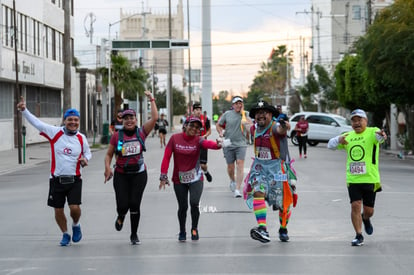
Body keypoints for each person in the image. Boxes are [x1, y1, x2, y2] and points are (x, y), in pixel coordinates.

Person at [17, 97, 92, 246]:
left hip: (75, 179)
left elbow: (88, 153)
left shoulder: (81, 138)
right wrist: (24, 110)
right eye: (70, 119)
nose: (73, 122)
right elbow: (37, 123)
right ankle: (65, 234)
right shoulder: (55, 133)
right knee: (58, 210)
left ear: (78, 122)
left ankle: (76, 225)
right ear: (64, 121)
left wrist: (85, 159)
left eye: (76, 120)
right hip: (56, 179)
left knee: (74, 208)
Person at [104, 91, 158, 245]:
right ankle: (121, 216)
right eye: (126, 118)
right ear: (123, 120)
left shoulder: (141, 132)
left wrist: (151, 99)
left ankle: (134, 234)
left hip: (139, 174)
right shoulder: (117, 135)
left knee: (134, 204)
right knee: (122, 205)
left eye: (131, 118)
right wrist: (107, 168)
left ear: (136, 119)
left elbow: (154, 118)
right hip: (121, 174)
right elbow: (108, 154)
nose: (129, 121)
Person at [327, 109, 387, 246]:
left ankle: (365, 219)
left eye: (359, 120)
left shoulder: (372, 132)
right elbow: (330, 145)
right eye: (353, 120)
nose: (356, 123)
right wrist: (338, 140)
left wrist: (382, 135)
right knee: (355, 205)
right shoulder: (348, 135)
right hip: (353, 179)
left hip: (370, 178)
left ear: (366, 121)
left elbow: (380, 137)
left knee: (369, 211)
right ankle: (358, 235)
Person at [159, 117, 222, 242]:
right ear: (185, 126)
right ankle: (182, 230)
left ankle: (194, 228)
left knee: (194, 203)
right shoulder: (175, 139)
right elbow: (166, 157)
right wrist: (163, 175)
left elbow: (210, 145)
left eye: (197, 127)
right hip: (179, 179)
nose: (194, 129)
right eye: (191, 126)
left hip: (196, 178)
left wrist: (219, 145)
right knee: (182, 207)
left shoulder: (199, 140)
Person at [245, 100, 297, 243]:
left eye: (264, 113)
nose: (260, 116)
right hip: (259, 168)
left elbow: (283, 129)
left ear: (270, 115)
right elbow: (245, 126)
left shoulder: (275, 127)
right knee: (257, 192)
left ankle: (283, 228)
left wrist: (284, 124)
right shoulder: (254, 129)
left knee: (282, 203)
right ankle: (263, 229)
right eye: (257, 114)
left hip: (277, 169)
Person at [216, 96, 252, 197]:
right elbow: (219, 125)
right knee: (230, 167)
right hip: (228, 144)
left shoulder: (246, 114)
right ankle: (232, 180)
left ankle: (237, 189)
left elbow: (252, 126)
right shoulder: (227, 114)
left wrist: (244, 116)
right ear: (233, 105)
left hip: (241, 144)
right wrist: (220, 133)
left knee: (240, 164)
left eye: (240, 103)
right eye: (236, 103)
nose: (238, 105)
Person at [192, 102, 213, 182]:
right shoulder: (189, 120)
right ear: (193, 110)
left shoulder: (205, 118)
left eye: (200, 109)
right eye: (197, 109)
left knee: (203, 165)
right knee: (192, 164)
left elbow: (209, 131)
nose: (198, 111)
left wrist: (203, 137)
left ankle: (206, 172)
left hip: (203, 143)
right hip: (192, 144)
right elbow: (184, 132)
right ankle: (195, 179)